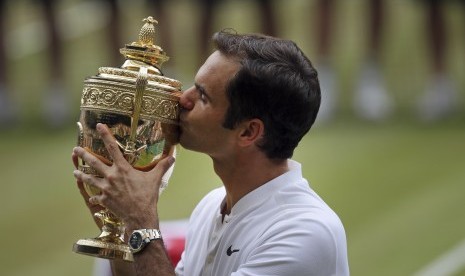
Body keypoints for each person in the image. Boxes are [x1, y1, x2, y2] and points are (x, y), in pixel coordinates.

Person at [72, 30, 349, 275]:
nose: (183, 99)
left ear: (248, 132)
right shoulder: (211, 207)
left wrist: (141, 220)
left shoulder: (304, 234)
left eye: (203, 96)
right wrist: (119, 228)